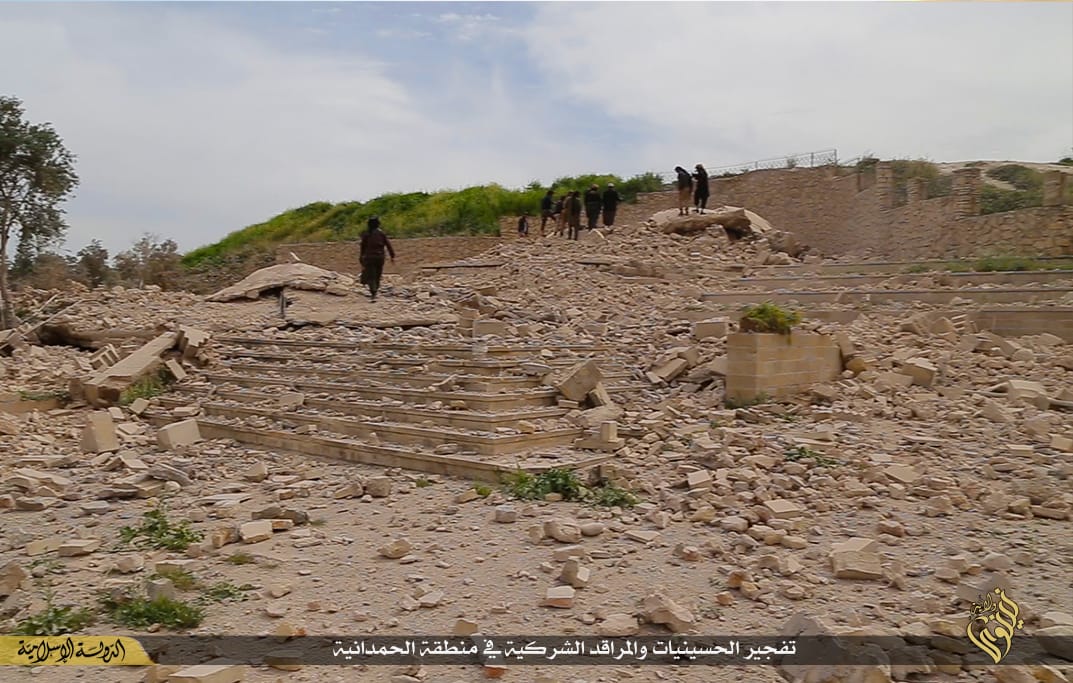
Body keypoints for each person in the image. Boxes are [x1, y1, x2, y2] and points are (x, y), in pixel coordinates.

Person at [359, 215, 395, 301]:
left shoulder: (366, 234)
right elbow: (388, 245)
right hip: (380, 257)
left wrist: (361, 257)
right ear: (378, 224)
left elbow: (362, 247)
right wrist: (392, 256)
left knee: (371, 275)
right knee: (378, 275)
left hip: (369, 257)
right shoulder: (381, 233)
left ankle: (373, 293)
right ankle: (375, 291)